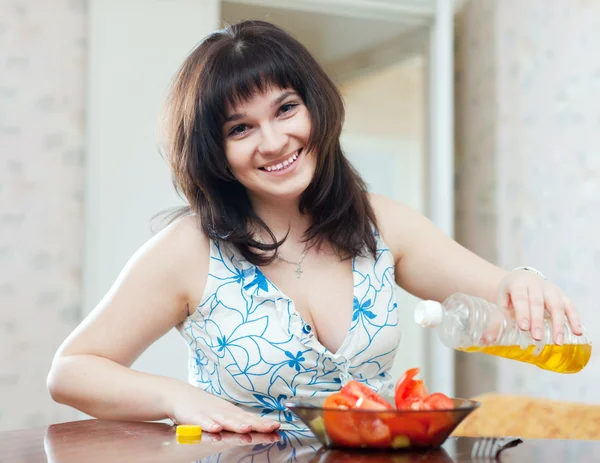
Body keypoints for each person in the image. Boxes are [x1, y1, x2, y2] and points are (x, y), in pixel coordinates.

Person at [46, 20, 583, 435]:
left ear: (315, 108)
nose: (275, 141)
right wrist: (175, 398)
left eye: (286, 109)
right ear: (214, 152)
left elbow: (499, 288)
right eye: (241, 128)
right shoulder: (189, 249)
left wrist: (522, 280)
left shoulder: (380, 224)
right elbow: (71, 369)